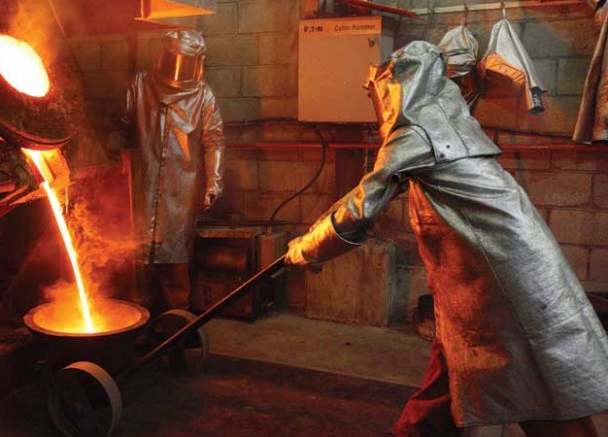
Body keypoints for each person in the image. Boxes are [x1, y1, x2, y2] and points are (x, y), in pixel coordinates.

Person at [285, 41, 608, 437]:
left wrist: (303, 250)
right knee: (455, 361)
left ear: (398, 85)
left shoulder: (416, 132)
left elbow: (360, 208)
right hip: (508, 268)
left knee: (532, 385)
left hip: (499, 282)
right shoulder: (452, 122)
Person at [122, 30, 224, 313]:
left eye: (185, 61)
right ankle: (138, 322)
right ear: (161, 57)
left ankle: (176, 324)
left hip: (180, 188)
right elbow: (121, 124)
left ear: (197, 63)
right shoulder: (141, 85)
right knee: (138, 256)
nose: (177, 68)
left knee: (175, 257)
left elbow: (213, 140)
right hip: (143, 183)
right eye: (173, 59)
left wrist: (212, 183)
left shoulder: (203, 96)